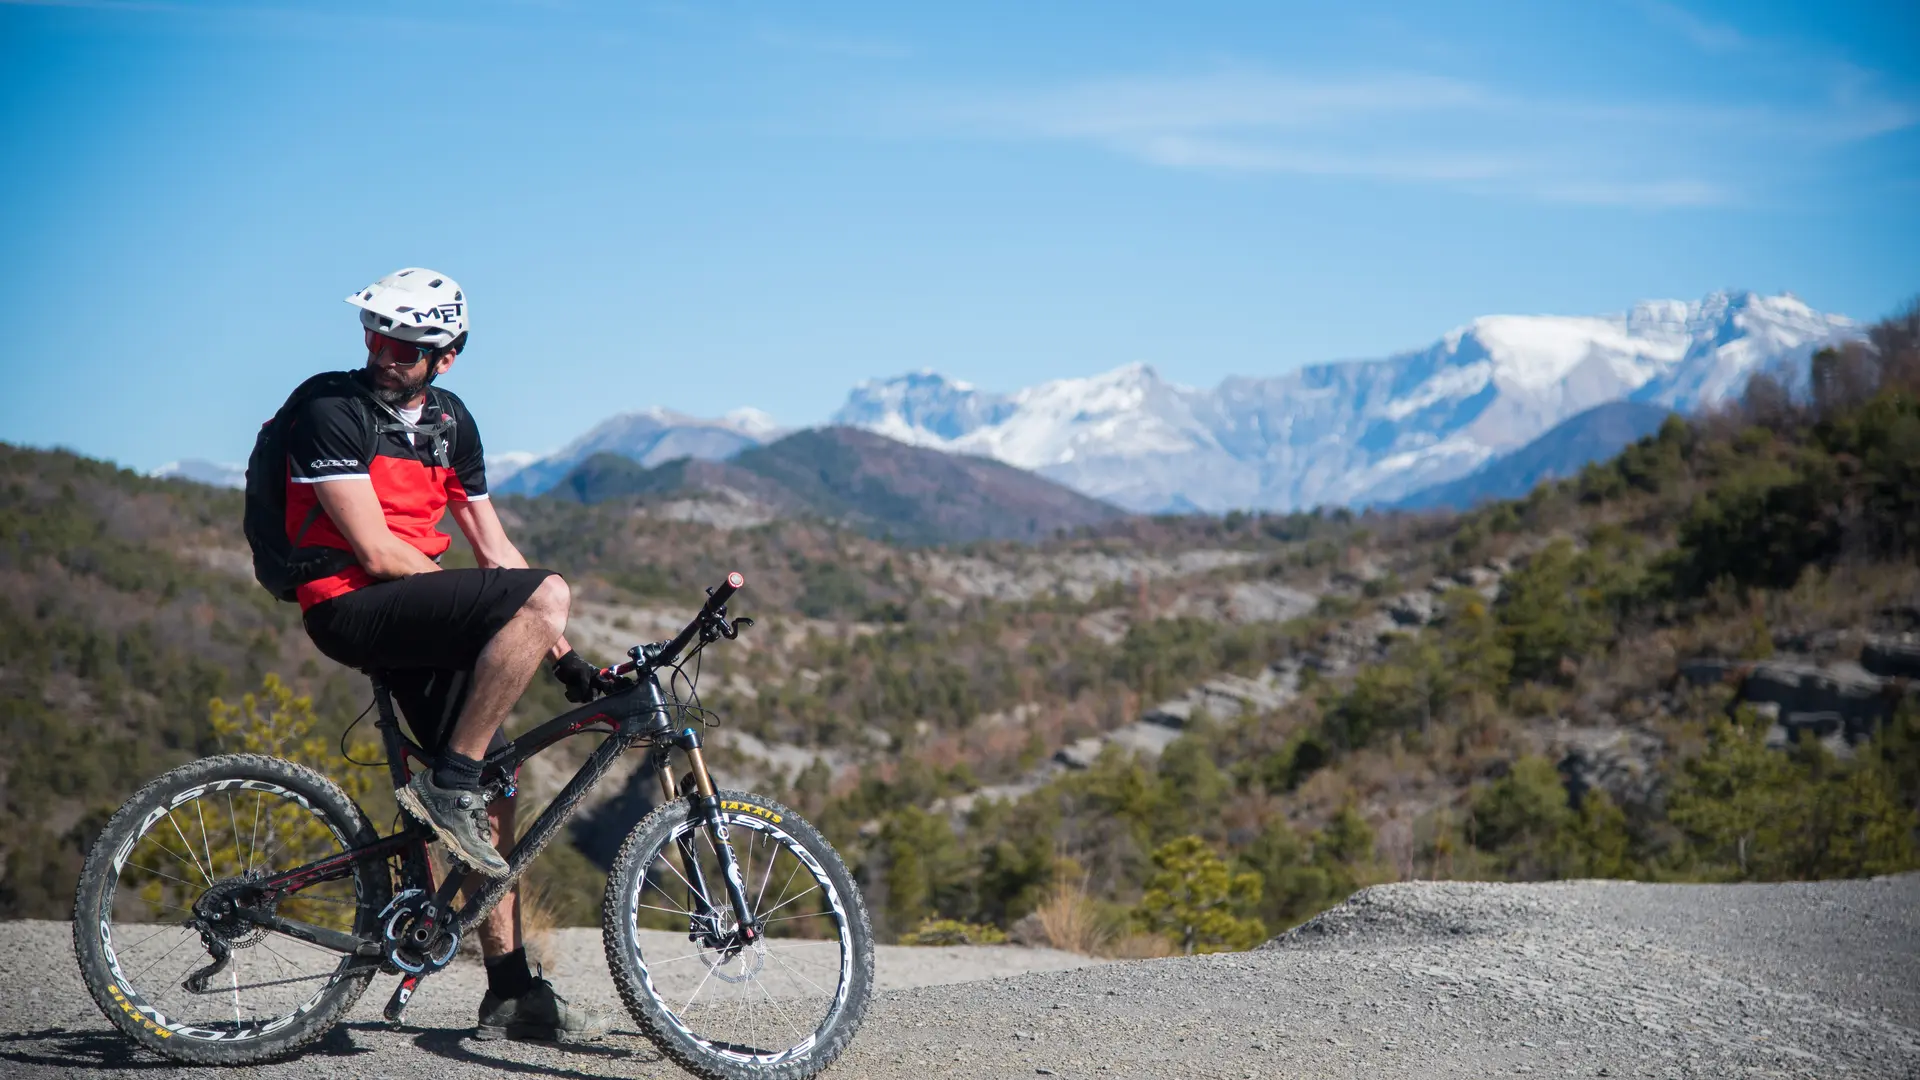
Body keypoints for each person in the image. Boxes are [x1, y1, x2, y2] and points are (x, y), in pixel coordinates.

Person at [286, 267, 611, 1043]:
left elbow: (494, 549)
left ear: (448, 354)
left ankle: (510, 991)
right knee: (543, 596)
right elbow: (373, 549)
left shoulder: (452, 423)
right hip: (349, 604)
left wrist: (567, 660)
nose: (382, 349)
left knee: (500, 781)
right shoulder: (328, 409)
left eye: (404, 340)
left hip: (417, 612)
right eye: (375, 333)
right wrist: (516, 608)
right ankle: (449, 783)